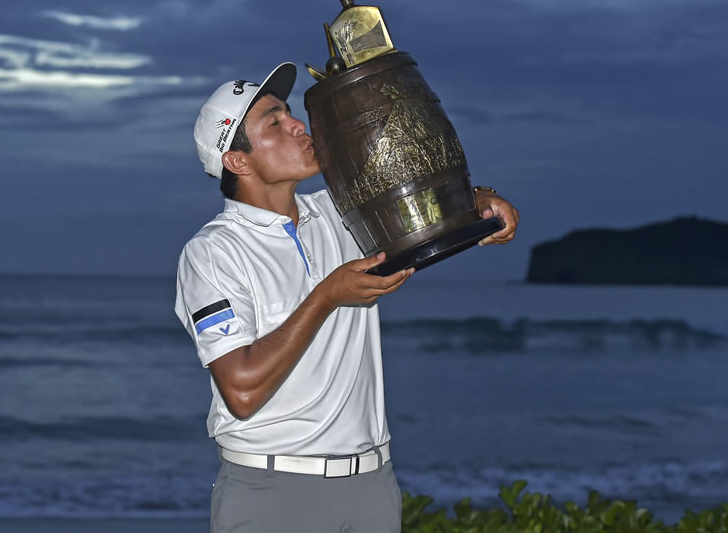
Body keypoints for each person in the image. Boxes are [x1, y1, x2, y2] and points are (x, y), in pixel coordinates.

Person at [174, 62, 519, 532]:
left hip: (371, 486)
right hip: (272, 490)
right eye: (273, 122)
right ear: (238, 161)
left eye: (290, 114)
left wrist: (480, 198)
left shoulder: (341, 212)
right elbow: (241, 391)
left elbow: (421, 209)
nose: (298, 126)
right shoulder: (213, 253)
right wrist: (328, 295)